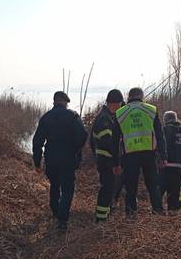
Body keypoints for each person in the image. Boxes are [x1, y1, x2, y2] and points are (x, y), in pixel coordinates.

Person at [32, 91, 88, 231]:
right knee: (68, 189)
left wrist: (37, 162)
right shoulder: (73, 116)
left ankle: (56, 211)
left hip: (51, 158)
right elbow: (83, 135)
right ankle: (62, 220)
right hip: (68, 159)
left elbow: (37, 142)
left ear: (54, 101)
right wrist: (75, 150)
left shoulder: (45, 118)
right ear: (65, 102)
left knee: (54, 185)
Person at [114, 87, 167, 218]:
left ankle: (131, 214)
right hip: (149, 153)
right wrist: (163, 156)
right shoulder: (151, 110)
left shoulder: (120, 113)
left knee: (130, 186)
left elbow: (115, 140)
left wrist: (116, 162)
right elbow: (160, 135)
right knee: (153, 184)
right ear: (142, 96)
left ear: (128, 97)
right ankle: (158, 211)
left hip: (130, 154)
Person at [90, 89, 124, 222]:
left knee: (110, 188)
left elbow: (92, 143)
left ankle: (105, 214)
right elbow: (108, 142)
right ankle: (101, 218)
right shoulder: (105, 119)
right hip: (107, 161)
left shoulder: (106, 116)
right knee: (107, 188)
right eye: (120, 104)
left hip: (105, 159)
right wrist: (117, 157)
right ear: (115, 103)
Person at [160, 111, 181, 214]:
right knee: (174, 189)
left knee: (160, 188)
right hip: (180, 166)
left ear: (165, 120)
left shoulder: (163, 130)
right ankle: (173, 211)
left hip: (165, 164)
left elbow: (160, 145)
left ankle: (157, 210)